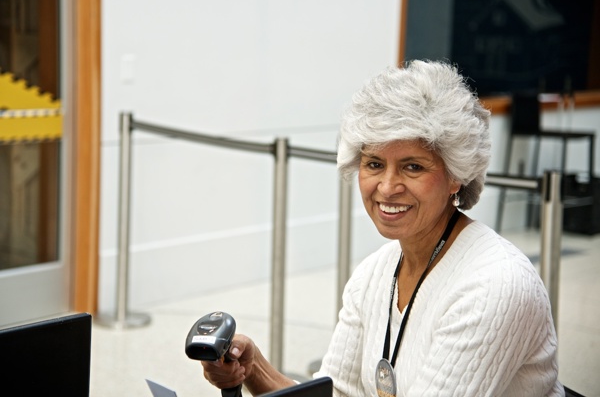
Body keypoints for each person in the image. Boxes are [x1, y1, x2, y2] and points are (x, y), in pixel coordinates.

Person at [201, 60, 563, 396]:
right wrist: (254, 371)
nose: (387, 187)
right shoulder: (375, 273)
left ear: (456, 175)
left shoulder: (493, 287)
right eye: (374, 163)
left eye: (413, 167)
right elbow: (339, 394)